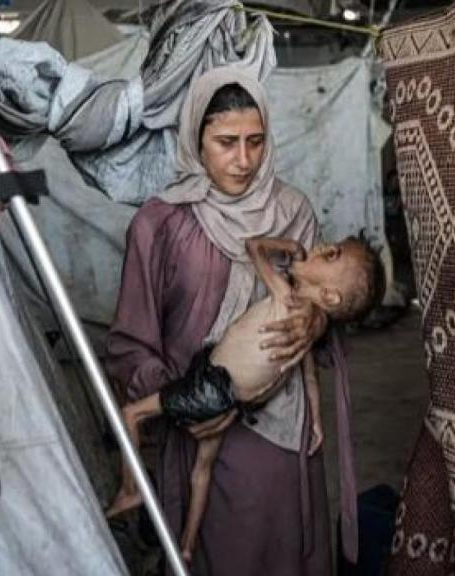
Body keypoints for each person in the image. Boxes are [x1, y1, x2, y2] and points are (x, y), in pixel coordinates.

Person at [105, 67, 360, 574]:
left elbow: (326, 301)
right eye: (226, 143)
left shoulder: (293, 211)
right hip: (203, 424)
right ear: (196, 139)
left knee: (285, 548)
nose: (244, 161)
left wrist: (316, 323)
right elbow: (128, 346)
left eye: (256, 142)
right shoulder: (160, 224)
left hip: (284, 433)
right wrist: (190, 402)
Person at [107, 234, 384, 562]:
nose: (321, 246)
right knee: (203, 469)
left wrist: (285, 247)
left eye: (333, 255)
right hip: (227, 394)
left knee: (130, 414)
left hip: (211, 387)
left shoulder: (289, 301)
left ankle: (130, 491)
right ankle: (187, 545)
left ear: (329, 295)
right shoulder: (304, 322)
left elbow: (253, 246)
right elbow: (307, 371)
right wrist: (315, 414)